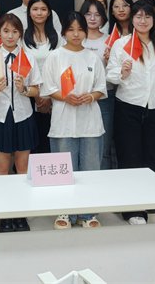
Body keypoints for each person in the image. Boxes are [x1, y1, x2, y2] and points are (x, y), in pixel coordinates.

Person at [107, 0, 155, 225]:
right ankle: (133, 210)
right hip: (128, 108)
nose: (143, 20)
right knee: (130, 159)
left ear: (154, 19)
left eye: (147, 16)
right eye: (138, 16)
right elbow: (110, 74)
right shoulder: (122, 44)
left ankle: (154, 207)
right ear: (132, 19)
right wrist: (122, 72)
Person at [43, 12, 107, 230]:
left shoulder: (93, 58)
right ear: (64, 32)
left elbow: (101, 87)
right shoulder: (55, 56)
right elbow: (49, 87)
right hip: (63, 121)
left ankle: (88, 213)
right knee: (64, 170)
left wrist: (91, 96)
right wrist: (65, 97)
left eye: (80, 29)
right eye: (71, 29)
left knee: (90, 169)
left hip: (90, 122)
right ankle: (64, 211)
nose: (76, 34)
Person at [0, 14, 41, 233]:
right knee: (0, 167)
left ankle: (20, 213)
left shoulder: (28, 57)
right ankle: (4, 213)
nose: (10, 36)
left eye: (15, 31)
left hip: (23, 115)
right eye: (6, 31)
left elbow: (36, 89)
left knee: (22, 167)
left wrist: (23, 89)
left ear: (20, 34)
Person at [22, 0, 62, 154]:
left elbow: (62, 68)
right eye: (35, 9)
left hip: (54, 97)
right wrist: (37, 96)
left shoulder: (58, 37)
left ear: (49, 12)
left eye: (43, 9)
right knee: (31, 146)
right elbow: (22, 70)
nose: (39, 13)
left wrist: (49, 97)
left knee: (49, 144)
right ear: (29, 12)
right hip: (29, 98)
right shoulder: (22, 37)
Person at [81, 0, 116, 170]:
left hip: (104, 98)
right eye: (88, 14)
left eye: (97, 14)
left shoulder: (111, 41)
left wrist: (110, 62)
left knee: (104, 146)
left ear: (103, 17)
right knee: (82, 145)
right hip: (79, 98)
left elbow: (117, 72)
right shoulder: (75, 38)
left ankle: (104, 182)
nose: (93, 18)